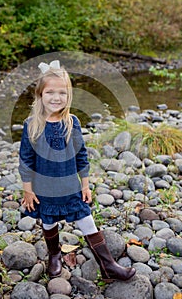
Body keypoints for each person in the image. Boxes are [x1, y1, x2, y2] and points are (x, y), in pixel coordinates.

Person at [19, 60, 136, 282]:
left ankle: (107, 264)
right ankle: (54, 255)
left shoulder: (71, 122)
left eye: (62, 92)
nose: (56, 97)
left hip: (70, 186)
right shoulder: (31, 124)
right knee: (48, 221)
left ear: (69, 95)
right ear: (40, 95)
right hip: (43, 188)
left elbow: (81, 155)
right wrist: (28, 191)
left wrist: (85, 184)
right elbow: (26, 160)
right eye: (50, 92)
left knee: (86, 218)